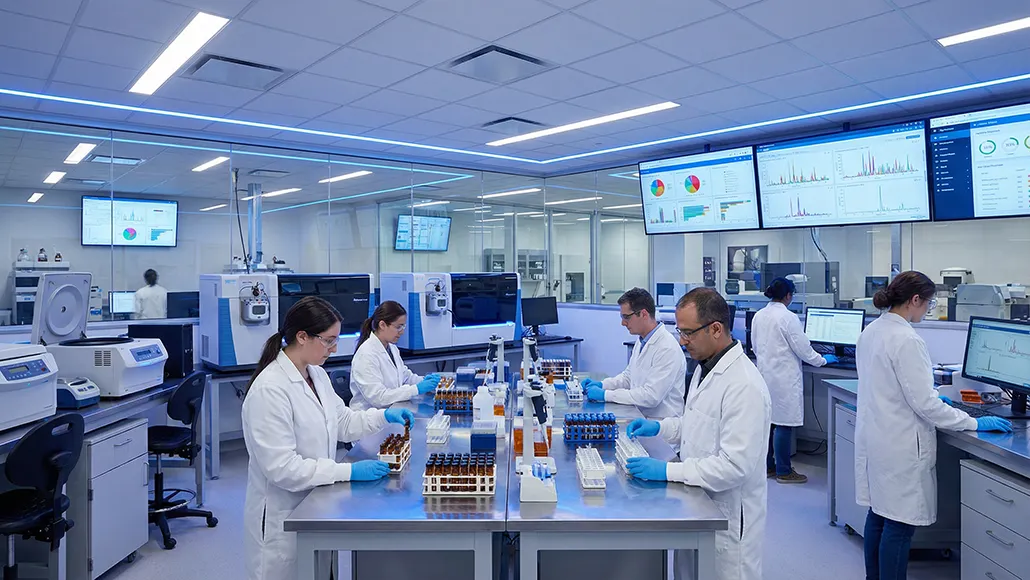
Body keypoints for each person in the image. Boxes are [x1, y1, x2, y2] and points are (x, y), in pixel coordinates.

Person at [241, 296, 414, 580]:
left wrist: (383, 416)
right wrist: (348, 471)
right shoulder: (270, 390)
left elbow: (343, 422)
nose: (334, 349)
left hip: (314, 503)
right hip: (281, 515)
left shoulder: (317, 375)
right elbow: (282, 468)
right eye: (329, 341)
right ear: (302, 337)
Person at [856, 271, 1012, 580]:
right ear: (914, 300)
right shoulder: (907, 340)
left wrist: (935, 398)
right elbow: (926, 405)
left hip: (878, 439)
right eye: (928, 304)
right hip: (900, 446)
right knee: (899, 525)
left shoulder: (872, 330)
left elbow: (897, 389)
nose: (927, 310)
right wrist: (973, 421)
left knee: (879, 515)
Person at [625, 288, 771, 580]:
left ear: (715, 329)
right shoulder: (705, 368)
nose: (682, 340)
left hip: (728, 519)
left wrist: (668, 471)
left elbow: (734, 466)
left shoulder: (744, 386)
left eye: (688, 333)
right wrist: (660, 427)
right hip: (697, 504)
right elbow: (694, 423)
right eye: (680, 332)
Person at [751, 277, 837, 484]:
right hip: (784, 379)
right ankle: (784, 471)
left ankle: (768, 466)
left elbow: (755, 345)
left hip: (764, 375)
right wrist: (823, 360)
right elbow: (804, 349)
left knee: (770, 423)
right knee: (784, 424)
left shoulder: (759, 315)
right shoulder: (788, 318)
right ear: (788, 296)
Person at [582, 288, 686, 420]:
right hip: (639, 416)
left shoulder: (667, 348)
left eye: (626, 317)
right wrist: (602, 385)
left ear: (643, 314)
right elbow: (628, 378)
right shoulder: (642, 340)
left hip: (660, 425)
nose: (623, 323)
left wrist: (606, 395)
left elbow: (651, 396)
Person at [350, 300, 440, 411]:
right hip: (369, 417)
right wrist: (416, 389)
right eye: (398, 327)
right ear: (382, 325)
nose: (402, 332)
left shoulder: (392, 348)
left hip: (392, 411)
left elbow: (405, 376)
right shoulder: (366, 355)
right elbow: (378, 398)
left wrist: (423, 382)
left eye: (403, 327)